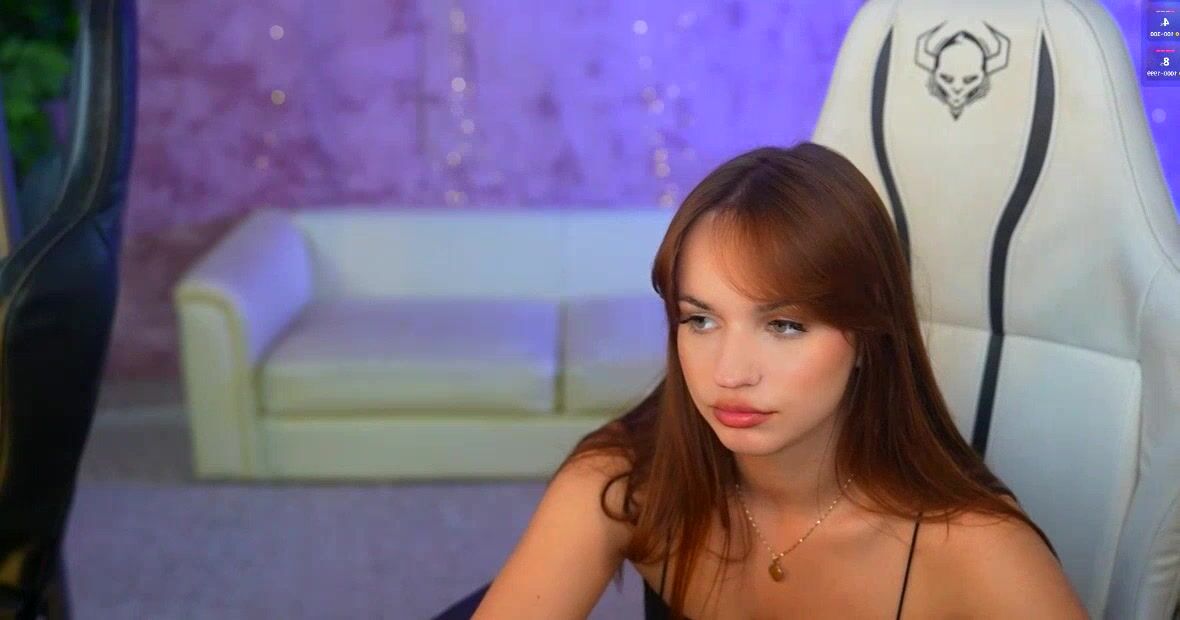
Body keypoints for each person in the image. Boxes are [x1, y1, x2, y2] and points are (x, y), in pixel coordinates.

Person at [471, 143, 1088, 619]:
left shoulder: (980, 547)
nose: (729, 374)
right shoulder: (631, 478)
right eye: (700, 320)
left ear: (869, 335)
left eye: (785, 325)